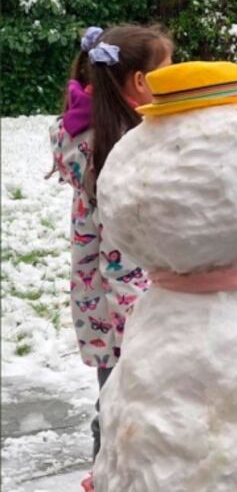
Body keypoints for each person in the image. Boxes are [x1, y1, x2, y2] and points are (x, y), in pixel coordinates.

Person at [49, 24, 174, 463]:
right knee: (129, 409)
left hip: (99, 305)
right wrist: (141, 324)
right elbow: (119, 255)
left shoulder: (89, 132)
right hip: (128, 311)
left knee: (113, 401)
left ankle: (110, 470)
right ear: (141, 82)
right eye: (168, 69)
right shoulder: (122, 147)